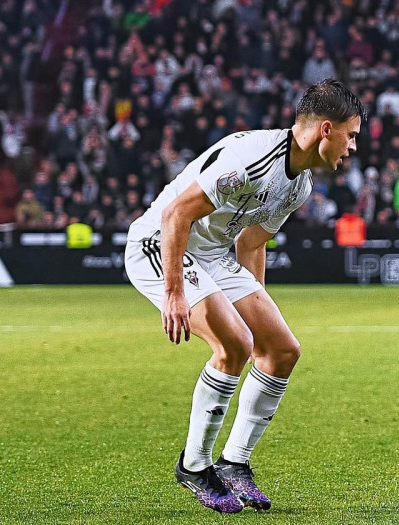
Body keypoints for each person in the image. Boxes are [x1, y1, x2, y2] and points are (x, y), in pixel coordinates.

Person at [123, 80, 364, 513]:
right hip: (160, 243)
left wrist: (258, 308)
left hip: (213, 253)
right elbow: (175, 213)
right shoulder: (249, 160)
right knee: (234, 344)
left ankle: (235, 462)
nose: (353, 146)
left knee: (282, 349)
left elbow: (251, 244)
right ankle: (195, 466)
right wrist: (174, 291)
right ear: (326, 129)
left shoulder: (299, 185)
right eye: (352, 134)